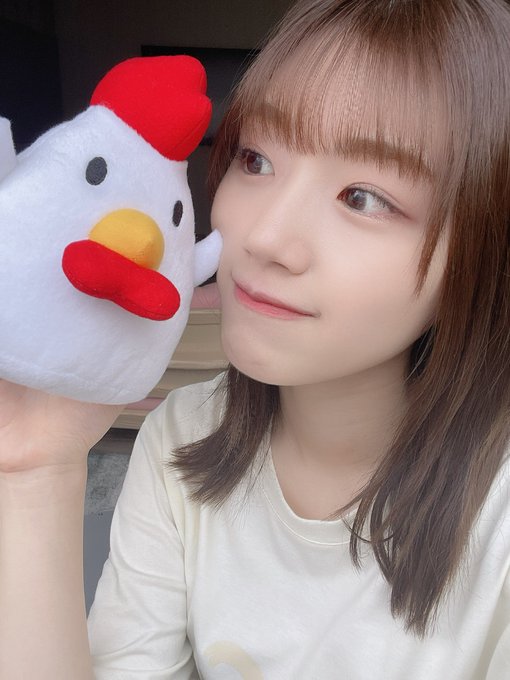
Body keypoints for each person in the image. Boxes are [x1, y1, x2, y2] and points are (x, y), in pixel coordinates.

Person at [1, 0, 509, 677]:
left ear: (481, 251)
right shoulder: (181, 436)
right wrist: (38, 470)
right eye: (256, 158)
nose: (263, 237)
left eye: (362, 197)